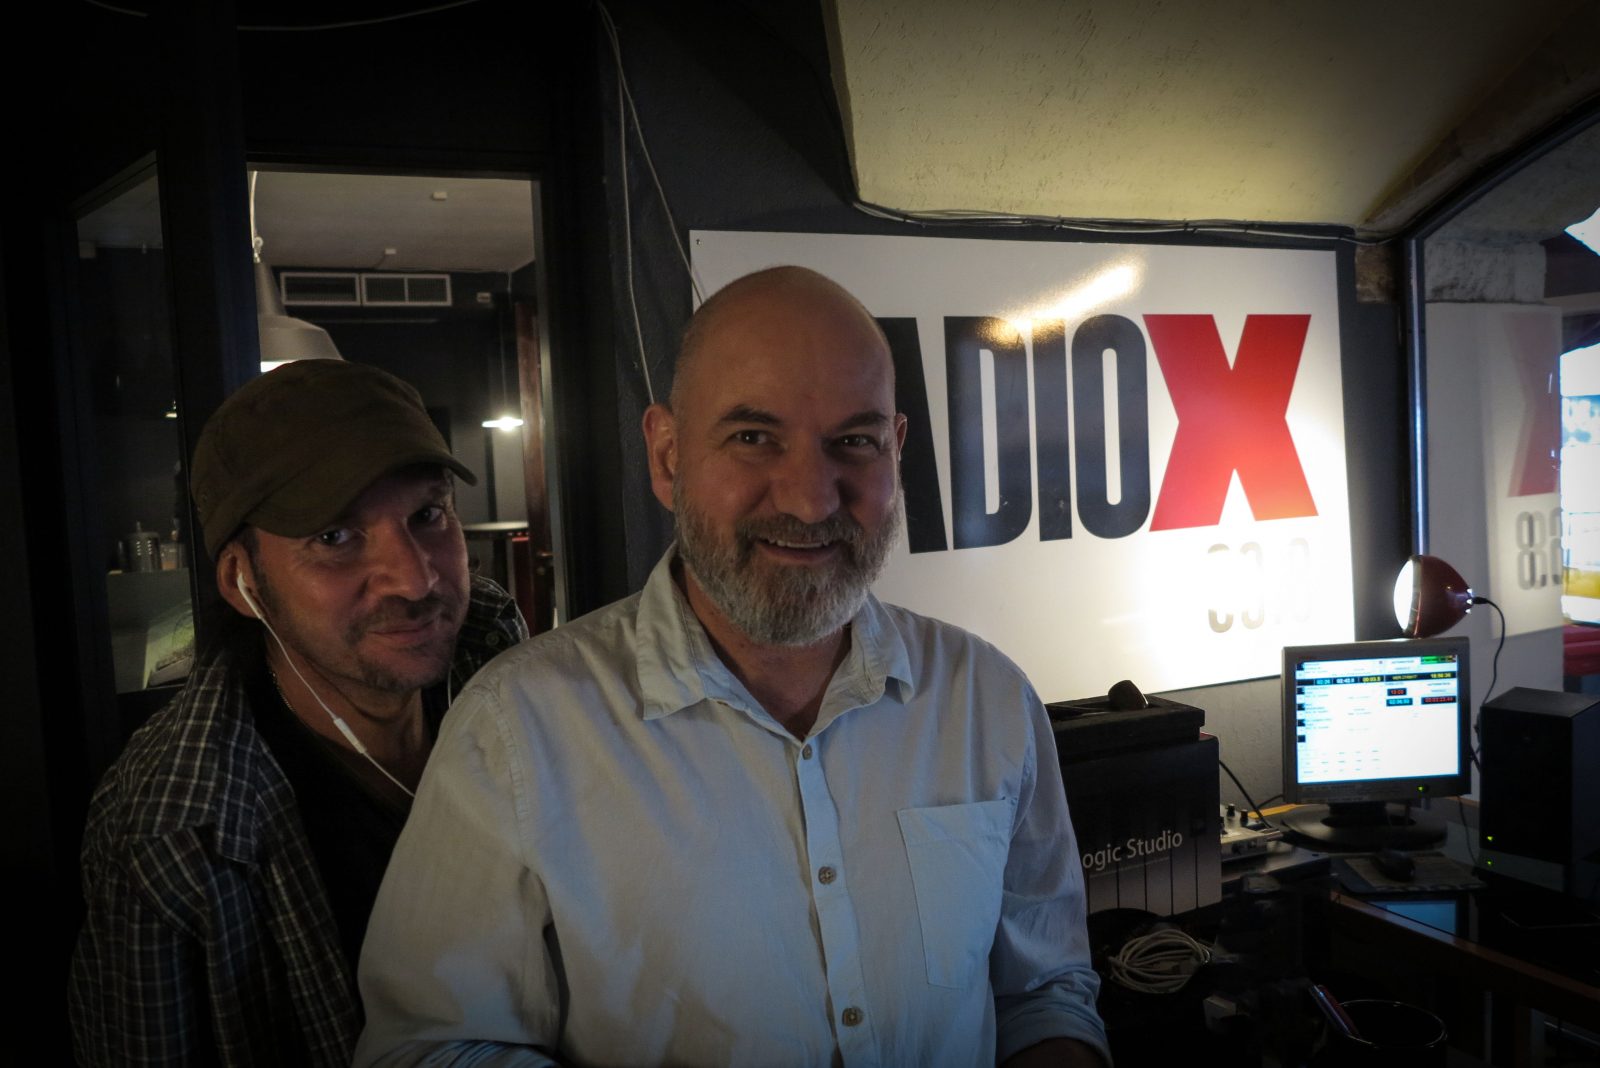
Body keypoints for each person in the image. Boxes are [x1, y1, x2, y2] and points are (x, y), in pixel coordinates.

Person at [356, 267, 1109, 1067]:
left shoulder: (987, 699)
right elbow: (429, 1049)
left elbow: (1044, 990)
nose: (811, 500)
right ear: (667, 455)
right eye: (753, 438)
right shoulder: (517, 729)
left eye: (854, 442)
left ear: (896, 449)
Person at [69, 360, 528, 1067]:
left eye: (427, 515)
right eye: (334, 537)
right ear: (242, 582)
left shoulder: (492, 648)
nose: (415, 580)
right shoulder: (179, 830)